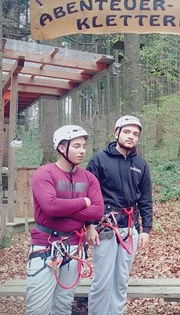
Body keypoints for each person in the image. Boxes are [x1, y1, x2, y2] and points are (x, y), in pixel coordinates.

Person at [26, 125, 104, 315]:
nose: (82, 150)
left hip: (73, 247)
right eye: (76, 146)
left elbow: (98, 211)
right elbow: (50, 207)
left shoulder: (89, 178)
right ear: (61, 148)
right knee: (38, 308)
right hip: (46, 247)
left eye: (84, 146)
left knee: (63, 305)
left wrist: (63, 208)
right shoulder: (44, 174)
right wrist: (83, 202)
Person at [85, 115, 153, 315]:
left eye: (135, 134)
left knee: (121, 280)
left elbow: (146, 199)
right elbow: (88, 195)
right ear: (116, 133)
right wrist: (89, 225)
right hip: (104, 228)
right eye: (127, 132)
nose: (131, 137)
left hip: (129, 228)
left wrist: (146, 229)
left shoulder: (141, 164)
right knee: (102, 281)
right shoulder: (99, 160)